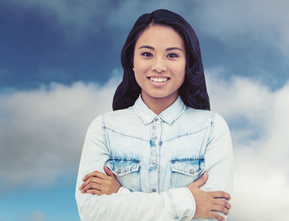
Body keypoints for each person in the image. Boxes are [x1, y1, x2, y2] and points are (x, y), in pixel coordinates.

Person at [75, 9, 233, 221]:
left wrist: (119, 195)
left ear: (188, 63)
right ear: (132, 60)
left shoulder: (212, 127)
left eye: (172, 55)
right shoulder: (104, 128)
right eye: (147, 54)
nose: (159, 66)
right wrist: (188, 203)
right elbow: (91, 213)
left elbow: (214, 213)